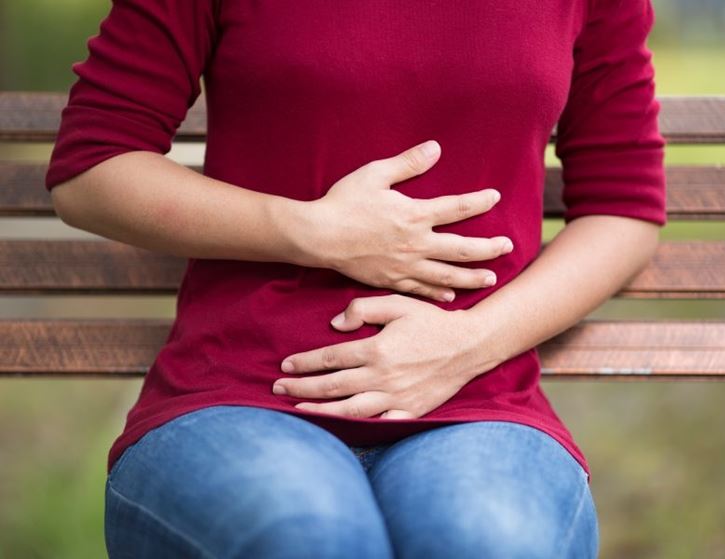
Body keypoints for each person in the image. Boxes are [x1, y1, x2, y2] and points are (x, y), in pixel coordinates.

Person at [46, 1, 666, 557]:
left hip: (479, 400)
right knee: (309, 537)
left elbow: (624, 208)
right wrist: (311, 231)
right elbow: (94, 168)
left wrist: (471, 342)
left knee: (485, 541)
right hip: (236, 392)